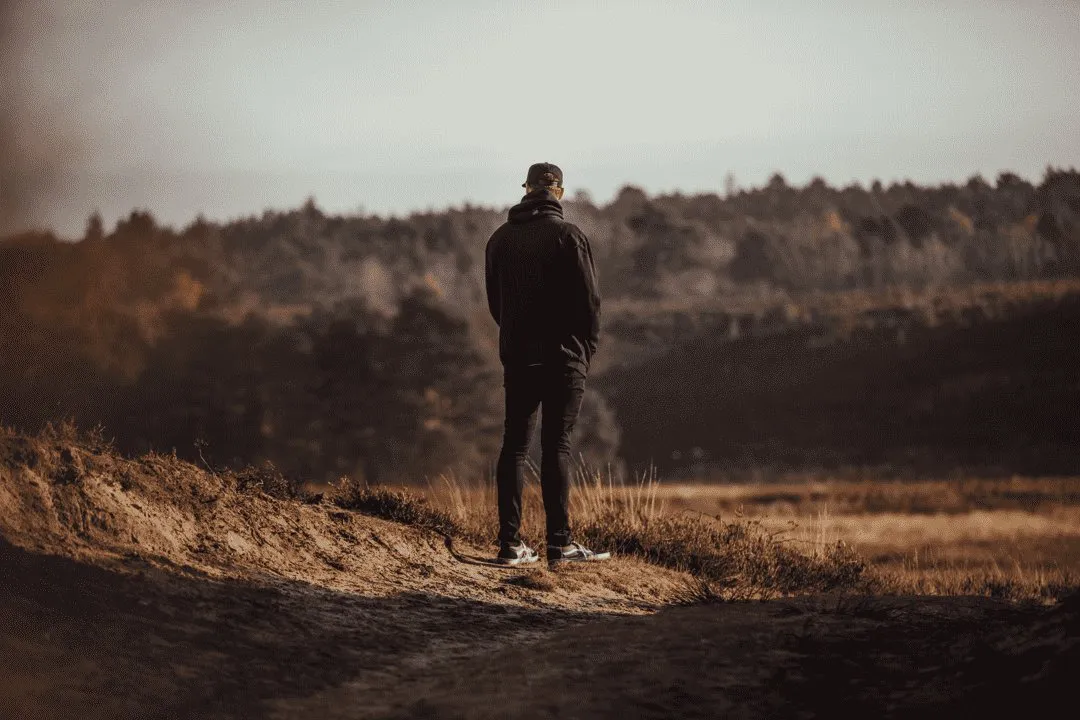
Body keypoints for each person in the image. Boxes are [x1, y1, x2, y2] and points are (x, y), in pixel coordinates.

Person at [485, 162, 611, 566]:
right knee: (557, 444)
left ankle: (510, 545)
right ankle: (560, 543)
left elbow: (495, 305)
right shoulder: (569, 236)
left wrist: (517, 337)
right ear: (559, 192)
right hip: (564, 357)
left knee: (514, 448)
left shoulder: (499, 240)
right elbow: (589, 301)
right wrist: (586, 349)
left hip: (519, 358)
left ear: (526, 189)